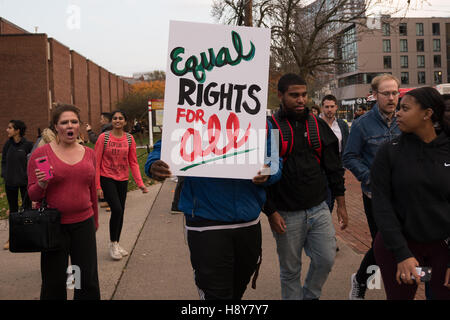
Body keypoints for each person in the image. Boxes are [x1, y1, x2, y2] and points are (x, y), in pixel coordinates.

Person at [145, 124, 282, 300]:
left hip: (248, 222)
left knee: (237, 289)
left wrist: (267, 173)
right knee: (216, 294)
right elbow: (162, 148)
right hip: (205, 222)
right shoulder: (192, 115)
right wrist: (153, 165)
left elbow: (275, 161)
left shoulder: (264, 122)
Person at [263, 73, 348, 300]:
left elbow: (333, 167)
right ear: (280, 95)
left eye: (304, 95)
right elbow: (262, 177)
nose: (301, 100)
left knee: (325, 260)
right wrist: (270, 211)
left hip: (319, 208)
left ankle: (310, 295)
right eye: (294, 95)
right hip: (285, 213)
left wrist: (341, 203)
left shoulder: (317, 125)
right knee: (290, 270)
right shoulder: (271, 129)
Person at [371, 87, 450, 300]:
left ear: (427, 113)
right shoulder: (389, 151)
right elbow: (381, 204)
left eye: (405, 108)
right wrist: (402, 254)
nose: (398, 113)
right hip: (399, 249)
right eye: (399, 108)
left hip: (442, 250)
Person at [27, 104, 100, 300]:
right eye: (64, 122)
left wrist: (95, 221)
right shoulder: (42, 155)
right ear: (55, 127)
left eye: (74, 122)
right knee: (54, 281)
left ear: (79, 126)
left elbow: (92, 189)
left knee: (86, 279)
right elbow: (33, 195)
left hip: (84, 223)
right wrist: (42, 183)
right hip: (54, 226)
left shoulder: (89, 154)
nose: (70, 126)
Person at [343, 74, 401, 300]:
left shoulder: (405, 119)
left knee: (402, 241)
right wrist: (370, 177)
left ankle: (400, 284)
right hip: (375, 194)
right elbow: (349, 157)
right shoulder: (361, 124)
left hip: (403, 195)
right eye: (385, 93)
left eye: (394, 93)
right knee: (383, 243)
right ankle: (360, 280)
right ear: (374, 95)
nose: (391, 98)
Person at [94, 110, 148, 261]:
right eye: (115, 118)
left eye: (121, 118)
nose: (118, 120)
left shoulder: (129, 139)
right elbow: (96, 163)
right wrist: (98, 186)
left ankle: (117, 243)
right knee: (116, 209)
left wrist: (140, 184)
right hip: (107, 178)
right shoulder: (103, 138)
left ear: (125, 121)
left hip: (122, 179)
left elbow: (133, 162)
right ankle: (112, 244)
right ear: (112, 121)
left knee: (121, 212)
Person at [2, 120, 34, 250]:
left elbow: (33, 162)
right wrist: (4, 174)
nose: (7, 130)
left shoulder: (28, 145)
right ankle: (13, 238)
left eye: (10, 128)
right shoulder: (7, 145)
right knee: (13, 211)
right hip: (10, 183)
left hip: (25, 184)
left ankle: (28, 237)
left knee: (27, 210)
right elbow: (3, 161)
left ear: (17, 130)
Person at [320, 94, 349, 213]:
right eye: (327, 107)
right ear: (322, 107)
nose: (329, 109)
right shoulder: (316, 124)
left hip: (337, 169)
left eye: (332, 106)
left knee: (333, 199)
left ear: (336, 107)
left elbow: (346, 146)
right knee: (325, 202)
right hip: (320, 170)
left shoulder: (342, 125)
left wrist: (343, 166)